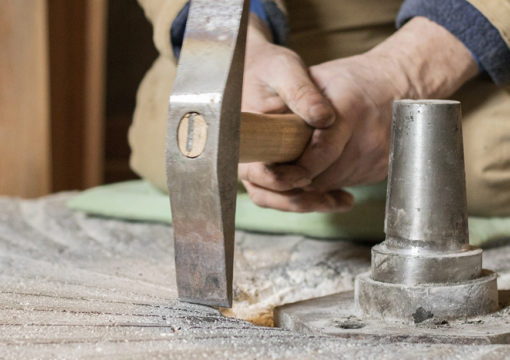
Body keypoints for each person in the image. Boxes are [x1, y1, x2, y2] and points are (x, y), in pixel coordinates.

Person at [130, 0, 510, 216]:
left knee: (480, 163)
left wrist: (403, 71)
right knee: (166, 143)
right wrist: (233, 42)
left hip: (467, 56)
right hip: (257, 40)